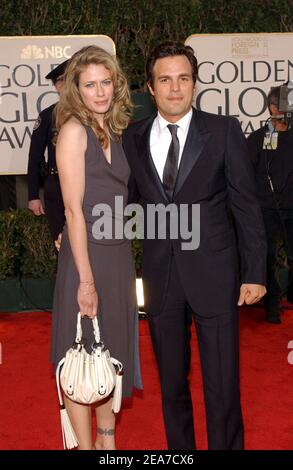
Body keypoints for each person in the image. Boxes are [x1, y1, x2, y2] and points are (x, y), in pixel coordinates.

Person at [123, 41, 267, 450]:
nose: (174, 89)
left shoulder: (222, 130)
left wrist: (255, 271)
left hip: (215, 274)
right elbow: (129, 204)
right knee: (171, 384)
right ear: (150, 88)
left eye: (183, 78)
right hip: (160, 277)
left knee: (222, 385)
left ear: (195, 83)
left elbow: (246, 204)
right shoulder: (132, 137)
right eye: (165, 80)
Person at [51, 45, 142, 451]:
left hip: (118, 255)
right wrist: (85, 281)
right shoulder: (73, 130)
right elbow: (73, 210)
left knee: (110, 353)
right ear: (76, 88)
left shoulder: (115, 129)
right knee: (81, 352)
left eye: (106, 82)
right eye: (90, 84)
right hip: (86, 260)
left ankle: (108, 447)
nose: (100, 91)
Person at [247, 85, 293, 324]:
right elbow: (246, 175)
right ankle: (273, 307)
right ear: (273, 108)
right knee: (268, 258)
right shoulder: (259, 139)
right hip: (267, 210)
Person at [27, 60, 68, 242]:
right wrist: (33, 196)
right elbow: (34, 157)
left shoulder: (92, 114)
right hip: (57, 186)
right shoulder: (47, 116)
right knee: (61, 242)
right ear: (58, 86)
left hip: (89, 185)